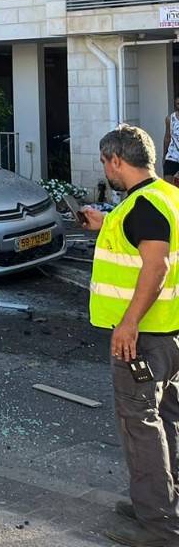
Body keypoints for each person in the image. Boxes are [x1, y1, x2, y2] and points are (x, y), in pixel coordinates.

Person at [83, 124, 179, 547]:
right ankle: (161, 500)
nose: (106, 170)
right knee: (167, 418)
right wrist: (105, 224)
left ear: (116, 160)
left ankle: (158, 525)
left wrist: (128, 323)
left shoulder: (142, 207)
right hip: (170, 334)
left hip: (144, 338)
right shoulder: (166, 196)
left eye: (106, 163)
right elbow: (146, 243)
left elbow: (155, 267)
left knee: (139, 423)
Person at [162, 97, 179, 185]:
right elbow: (167, 138)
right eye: (177, 104)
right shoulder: (170, 119)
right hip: (172, 156)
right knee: (167, 184)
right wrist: (164, 155)